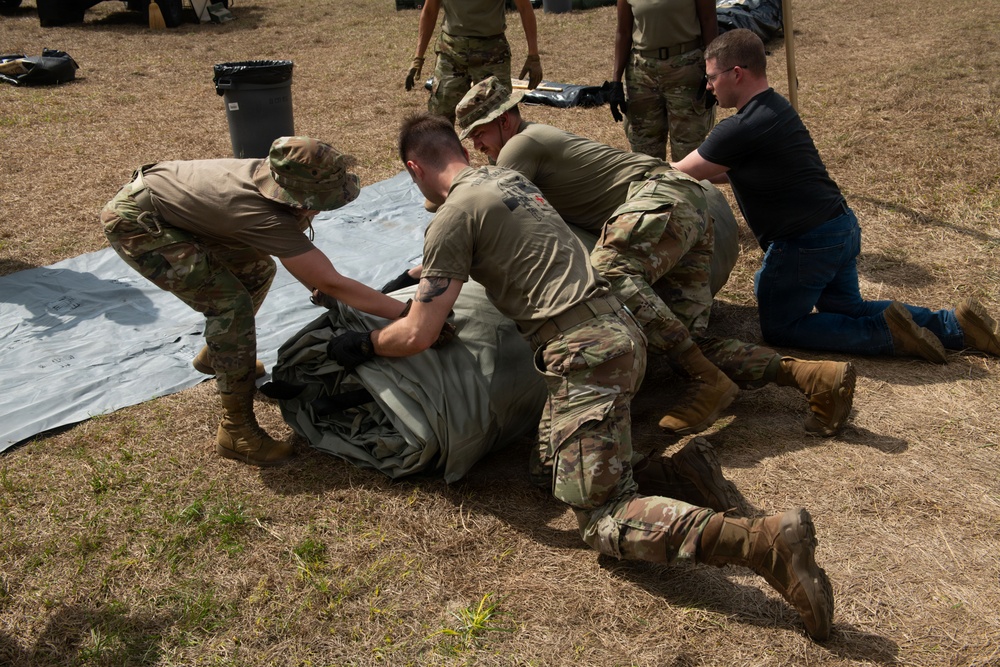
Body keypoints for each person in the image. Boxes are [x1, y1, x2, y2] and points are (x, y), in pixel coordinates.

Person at [326, 113, 835, 641]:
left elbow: (418, 333)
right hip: (621, 330)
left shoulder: (453, 217)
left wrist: (361, 343)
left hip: (585, 357)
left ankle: (761, 543)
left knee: (601, 518)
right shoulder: (510, 180)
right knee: (546, 468)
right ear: (459, 149)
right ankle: (682, 475)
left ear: (414, 168)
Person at [445, 76, 855, 438]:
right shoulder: (529, 140)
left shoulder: (520, 144)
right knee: (677, 336)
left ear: (503, 120)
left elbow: (490, 205)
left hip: (661, 200)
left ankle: (707, 378)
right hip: (683, 206)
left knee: (605, 275)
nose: (477, 146)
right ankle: (811, 376)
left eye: (478, 133)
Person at [670, 29, 1000, 362]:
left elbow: (680, 172)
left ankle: (890, 336)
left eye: (711, 77)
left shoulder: (738, 128)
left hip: (805, 244)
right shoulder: (774, 108)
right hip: (839, 228)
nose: (708, 86)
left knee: (781, 326)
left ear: (736, 73)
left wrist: (626, 164)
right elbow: (741, 169)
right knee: (848, 307)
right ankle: (954, 326)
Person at [100, 137, 412, 467]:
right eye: (322, 200)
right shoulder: (261, 213)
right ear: (299, 199)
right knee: (229, 305)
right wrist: (406, 313)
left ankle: (219, 356)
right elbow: (330, 280)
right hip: (139, 224)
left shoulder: (274, 185)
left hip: (171, 209)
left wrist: (324, 291)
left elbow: (316, 276)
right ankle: (236, 432)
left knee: (258, 269)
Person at [608, 0, 718, 161]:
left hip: (686, 71)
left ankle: (685, 186)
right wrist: (615, 82)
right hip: (642, 75)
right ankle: (651, 186)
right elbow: (623, 32)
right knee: (644, 152)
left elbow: (709, 21)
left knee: (688, 149)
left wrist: (712, 72)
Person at [403, 0, 543, 124]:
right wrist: (418, 58)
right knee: (439, 118)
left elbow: (525, 8)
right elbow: (429, 10)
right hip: (451, 52)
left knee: (499, 117)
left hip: (492, 53)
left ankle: (501, 154)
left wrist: (533, 56)